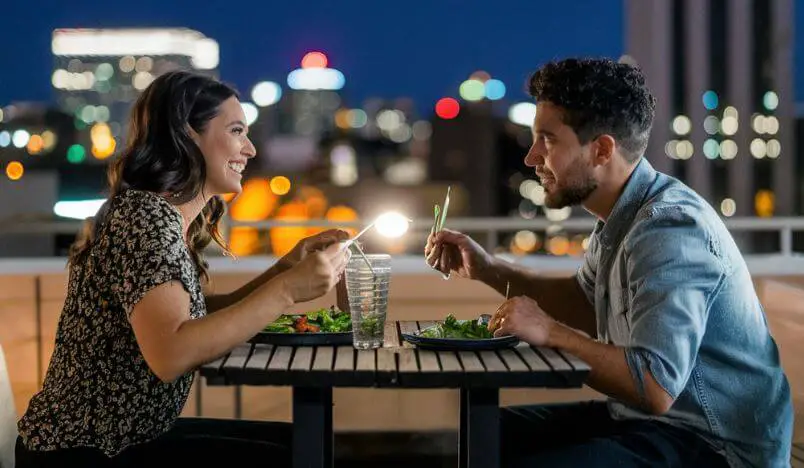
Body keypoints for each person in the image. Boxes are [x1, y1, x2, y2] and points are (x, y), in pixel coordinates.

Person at [425, 58, 793, 467]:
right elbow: (583, 303)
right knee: (486, 434)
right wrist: (487, 269)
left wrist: (547, 330)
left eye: (547, 140)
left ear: (601, 149)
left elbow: (654, 385)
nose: (531, 158)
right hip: (650, 423)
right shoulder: (620, 216)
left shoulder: (668, 229)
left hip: (716, 446)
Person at [16, 70, 350, 467]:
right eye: (237, 131)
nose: (250, 149)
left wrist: (283, 270)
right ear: (189, 135)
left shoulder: (159, 216)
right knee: (298, 454)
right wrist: (287, 290)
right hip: (85, 451)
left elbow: (192, 316)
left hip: (127, 437)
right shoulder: (144, 218)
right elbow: (172, 352)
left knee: (307, 443)